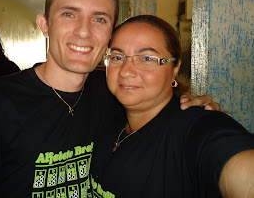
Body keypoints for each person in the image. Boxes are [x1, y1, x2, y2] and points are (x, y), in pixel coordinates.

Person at [0, 0, 220, 198]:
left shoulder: (116, 93)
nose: (83, 31)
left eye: (99, 19)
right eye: (69, 14)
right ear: (44, 24)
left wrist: (195, 107)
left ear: (110, 34)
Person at [90, 15, 254, 198]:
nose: (126, 71)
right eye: (117, 57)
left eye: (147, 58)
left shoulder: (196, 127)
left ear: (175, 68)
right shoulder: (108, 112)